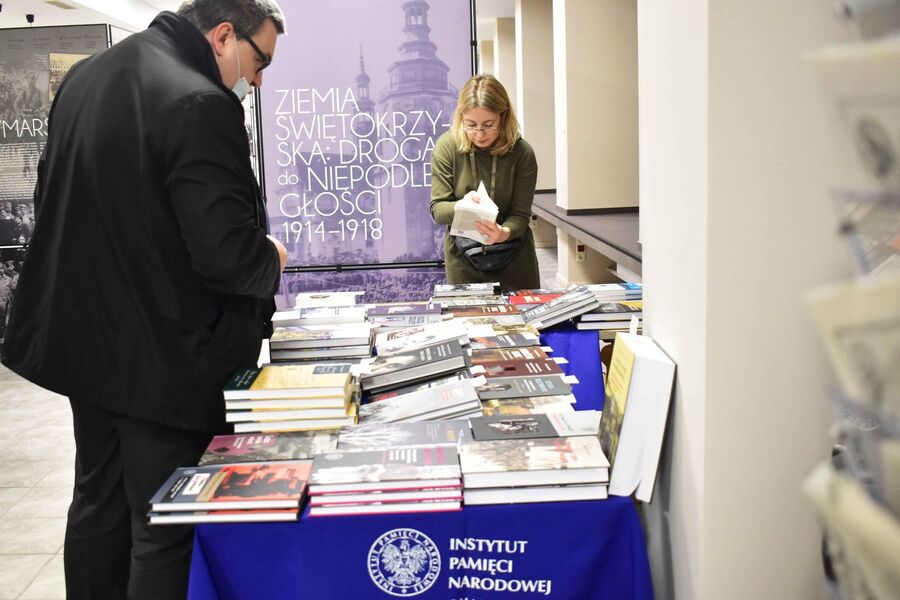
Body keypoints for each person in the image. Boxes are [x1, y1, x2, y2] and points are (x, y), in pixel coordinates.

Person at [0, 2, 289, 598]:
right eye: (259, 61)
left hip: (89, 345)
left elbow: (59, 195)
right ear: (224, 34)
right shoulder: (202, 102)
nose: (257, 79)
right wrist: (272, 259)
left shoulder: (88, 76)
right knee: (163, 523)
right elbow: (226, 256)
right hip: (163, 356)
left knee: (96, 508)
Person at [430, 74, 540, 291]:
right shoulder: (447, 147)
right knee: (468, 321)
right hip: (464, 259)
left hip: (515, 259)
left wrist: (503, 232)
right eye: (471, 125)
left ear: (503, 117)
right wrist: (461, 206)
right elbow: (437, 209)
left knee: (521, 321)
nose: (479, 134)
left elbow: (520, 215)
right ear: (461, 118)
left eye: (489, 125)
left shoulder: (522, 153)